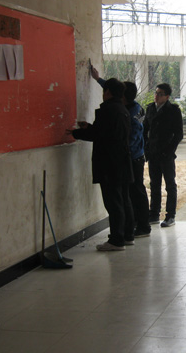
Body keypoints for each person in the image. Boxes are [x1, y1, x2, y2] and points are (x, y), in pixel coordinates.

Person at [67, 78, 135, 251]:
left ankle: (116, 240)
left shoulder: (107, 110)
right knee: (123, 200)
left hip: (110, 163)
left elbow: (99, 135)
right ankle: (127, 235)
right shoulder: (123, 109)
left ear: (108, 92)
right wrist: (88, 128)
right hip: (122, 161)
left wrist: (76, 133)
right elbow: (106, 132)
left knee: (113, 202)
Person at [90, 66, 151, 238]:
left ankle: (143, 226)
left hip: (134, 158)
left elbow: (130, 139)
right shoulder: (130, 107)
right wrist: (98, 79)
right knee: (128, 195)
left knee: (135, 193)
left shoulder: (131, 114)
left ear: (123, 97)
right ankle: (131, 227)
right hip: (131, 157)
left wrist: (119, 153)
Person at [143, 83, 183, 228]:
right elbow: (144, 130)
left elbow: (178, 134)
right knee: (154, 184)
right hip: (153, 153)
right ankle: (154, 214)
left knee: (170, 185)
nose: (157, 96)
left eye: (160, 94)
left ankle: (170, 215)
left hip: (166, 154)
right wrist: (146, 149)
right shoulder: (150, 109)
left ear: (167, 97)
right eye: (156, 93)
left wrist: (169, 151)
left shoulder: (173, 111)